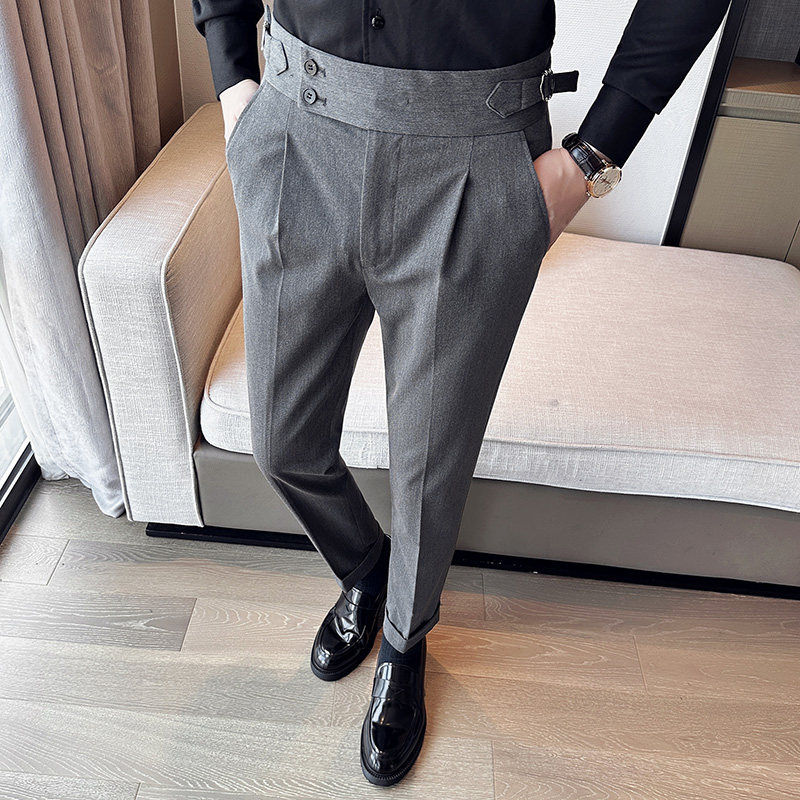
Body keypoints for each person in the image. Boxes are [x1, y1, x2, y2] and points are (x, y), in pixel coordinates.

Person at [192, 0, 732, 785]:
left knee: (430, 466)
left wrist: (591, 157)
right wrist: (233, 75)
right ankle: (367, 571)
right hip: (297, 126)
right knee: (282, 443)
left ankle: (404, 641)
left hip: (475, 153)